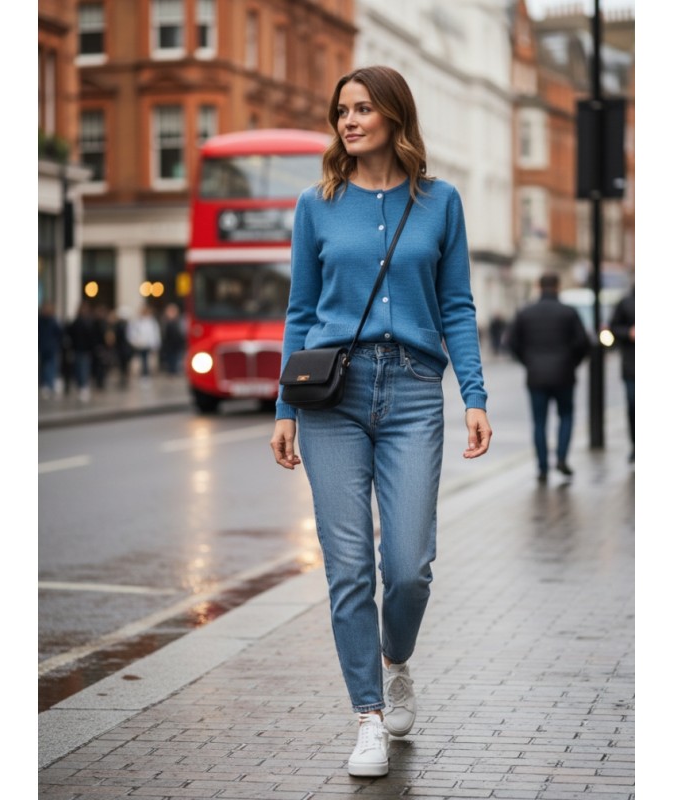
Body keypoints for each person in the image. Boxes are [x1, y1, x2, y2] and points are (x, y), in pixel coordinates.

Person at [269, 65, 492, 778]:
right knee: (346, 568)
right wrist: (283, 406)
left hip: (415, 392)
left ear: (395, 116)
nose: (350, 121)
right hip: (333, 396)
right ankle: (368, 715)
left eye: (363, 108)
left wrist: (475, 396)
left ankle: (397, 659)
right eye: (341, 111)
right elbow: (301, 311)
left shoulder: (441, 202)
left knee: (409, 567)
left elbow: (456, 304)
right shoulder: (317, 204)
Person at [505, 272, 591, 482]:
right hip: (564, 374)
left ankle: (542, 468)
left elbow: (512, 343)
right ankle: (561, 458)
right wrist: (572, 362)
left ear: (538, 286)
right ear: (558, 286)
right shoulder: (569, 312)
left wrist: (528, 361)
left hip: (536, 376)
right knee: (566, 416)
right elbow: (583, 343)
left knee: (539, 422)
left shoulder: (526, 313)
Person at [609, 283, 635, 463]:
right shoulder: (625, 303)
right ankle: (636, 445)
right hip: (632, 366)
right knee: (633, 407)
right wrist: (628, 333)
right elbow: (613, 329)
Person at [66, 301, 97, 401]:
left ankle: (83, 386)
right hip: (78, 349)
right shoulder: (78, 322)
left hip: (84, 349)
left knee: (83, 368)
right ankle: (81, 386)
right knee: (80, 368)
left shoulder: (87, 322)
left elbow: (91, 336)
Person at [127, 303, 161, 379]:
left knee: (146, 359)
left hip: (148, 344)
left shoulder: (152, 322)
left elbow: (154, 333)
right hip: (139, 344)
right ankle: (141, 373)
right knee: (140, 360)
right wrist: (134, 341)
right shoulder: (136, 321)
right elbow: (132, 332)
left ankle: (146, 373)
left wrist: (155, 343)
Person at [38, 302, 63, 399]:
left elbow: (59, 333)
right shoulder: (42, 321)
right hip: (44, 347)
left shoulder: (53, 321)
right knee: (45, 367)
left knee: (50, 367)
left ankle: (49, 385)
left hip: (51, 348)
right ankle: (46, 385)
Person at [159, 302, 186, 375]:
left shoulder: (179, 321)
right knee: (170, 357)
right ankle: (171, 370)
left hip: (177, 343)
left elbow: (182, 332)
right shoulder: (164, 321)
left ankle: (174, 370)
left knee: (176, 357)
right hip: (168, 344)